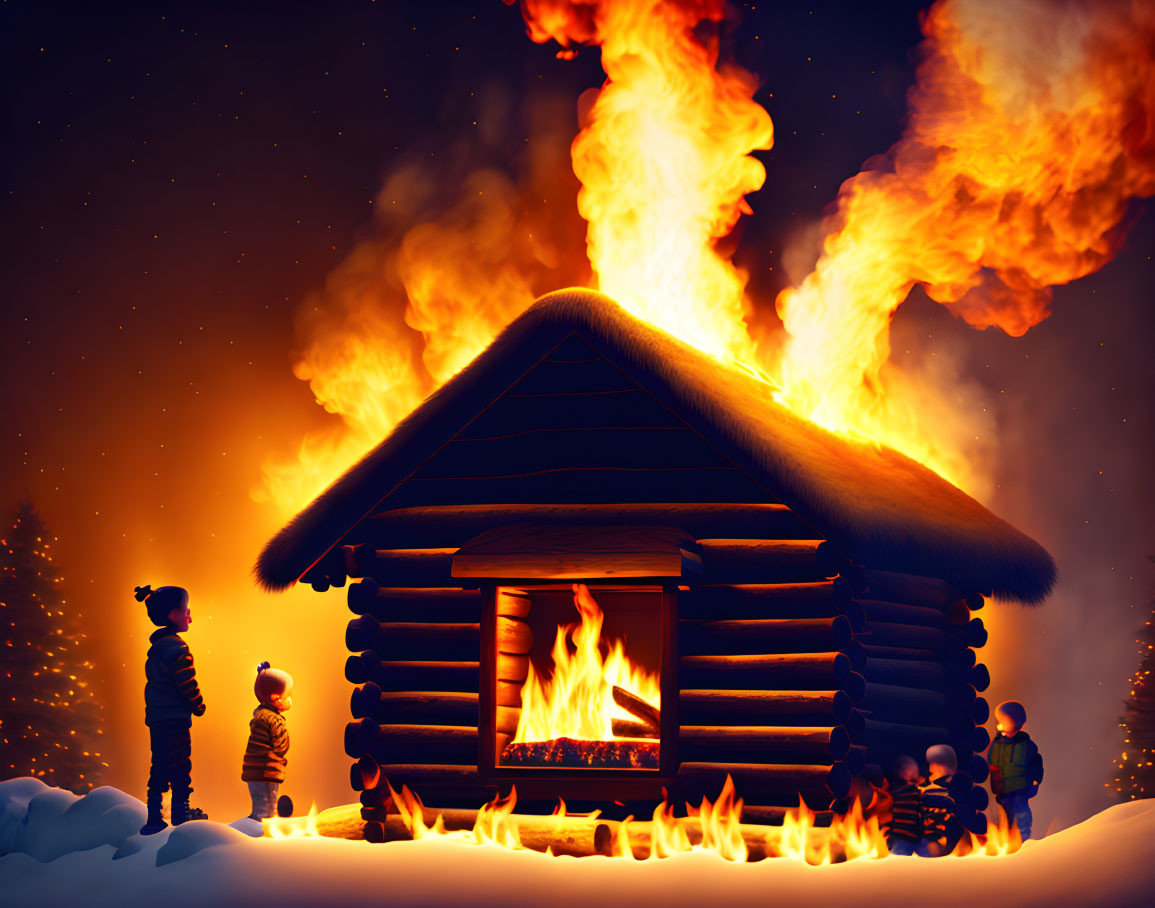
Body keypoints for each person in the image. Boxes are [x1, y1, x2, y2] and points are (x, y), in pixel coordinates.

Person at [136, 584, 208, 835]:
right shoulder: (178, 650)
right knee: (180, 763)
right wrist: (198, 704)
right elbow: (186, 682)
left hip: (157, 719)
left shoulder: (155, 651)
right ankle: (181, 810)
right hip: (175, 719)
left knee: (159, 764)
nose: (189, 615)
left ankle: (154, 815)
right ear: (172, 615)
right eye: (185, 610)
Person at [242, 661, 293, 820]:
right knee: (268, 807)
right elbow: (281, 746)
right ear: (275, 697)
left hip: (255, 770)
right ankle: (262, 834)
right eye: (288, 695)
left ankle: (257, 823)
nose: (290, 699)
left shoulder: (260, 715)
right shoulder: (274, 720)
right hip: (266, 769)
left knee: (260, 803)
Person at [988, 699, 1044, 839]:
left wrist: (1035, 781)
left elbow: (1035, 763)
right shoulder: (998, 743)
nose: (1000, 724)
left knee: (1021, 811)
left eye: (1004, 720)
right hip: (1002, 790)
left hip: (1020, 788)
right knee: (1007, 815)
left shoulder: (1025, 745)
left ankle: (1024, 834)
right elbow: (992, 761)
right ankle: (1009, 837)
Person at [919, 744, 963, 856]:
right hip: (930, 826)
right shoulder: (928, 787)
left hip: (940, 827)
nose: (930, 769)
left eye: (934, 767)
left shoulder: (949, 790)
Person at [886, 755, 923, 856]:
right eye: (915, 771)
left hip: (900, 838)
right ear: (904, 773)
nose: (917, 774)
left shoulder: (894, 793)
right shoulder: (911, 792)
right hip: (904, 839)